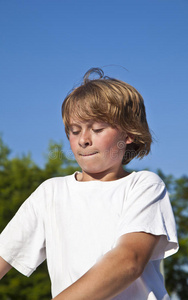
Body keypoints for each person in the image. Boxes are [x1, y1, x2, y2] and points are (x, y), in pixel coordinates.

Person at [0, 68, 178, 299]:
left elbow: (128, 261)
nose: (83, 140)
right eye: (74, 131)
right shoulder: (51, 193)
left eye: (97, 129)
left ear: (128, 134)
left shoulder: (143, 186)